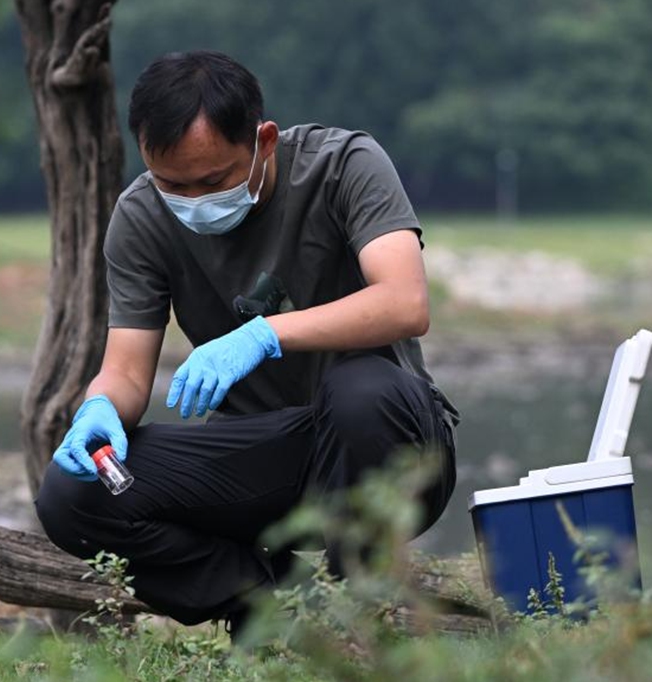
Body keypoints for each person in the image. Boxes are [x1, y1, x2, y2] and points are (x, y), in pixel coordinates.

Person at [35, 51, 458, 632]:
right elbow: (127, 372)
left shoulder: (344, 164)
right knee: (70, 497)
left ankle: (362, 606)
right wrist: (100, 407)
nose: (194, 201)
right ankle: (274, 610)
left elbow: (405, 302)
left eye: (213, 180)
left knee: (360, 390)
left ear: (264, 140)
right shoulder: (141, 217)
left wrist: (264, 334)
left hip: (388, 442)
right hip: (264, 454)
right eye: (171, 184)